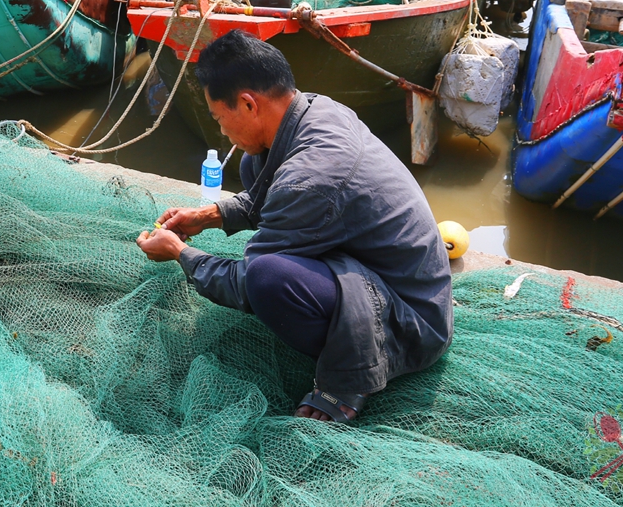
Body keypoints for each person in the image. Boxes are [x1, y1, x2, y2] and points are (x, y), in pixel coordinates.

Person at [135, 30, 453, 423]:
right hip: (372, 261)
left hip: (413, 319)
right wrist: (206, 216)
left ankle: (351, 378)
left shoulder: (309, 176)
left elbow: (245, 282)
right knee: (256, 162)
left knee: (269, 278)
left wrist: (180, 253)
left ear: (249, 104)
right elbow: (271, 195)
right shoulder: (314, 110)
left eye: (220, 118)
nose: (221, 131)